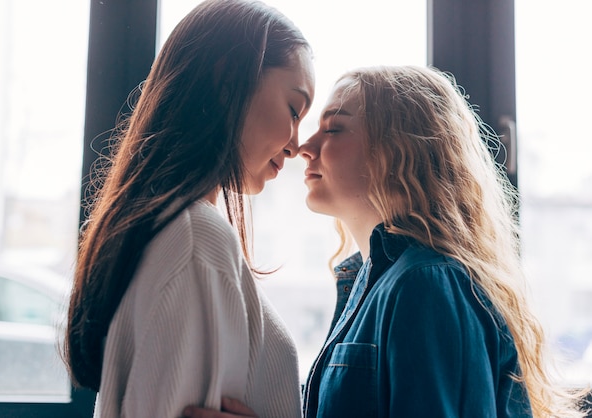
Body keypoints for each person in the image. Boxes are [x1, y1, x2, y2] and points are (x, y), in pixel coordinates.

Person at [184, 65, 588, 417]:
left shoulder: (425, 285)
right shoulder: (373, 283)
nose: (304, 148)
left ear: (399, 151)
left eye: (334, 128)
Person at [61, 0, 315, 417]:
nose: (295, 145)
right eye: (293, 108)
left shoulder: (167, 229)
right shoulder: (198, 238)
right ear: (226, 80)